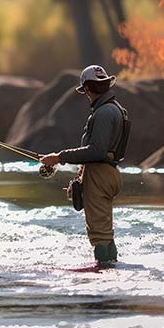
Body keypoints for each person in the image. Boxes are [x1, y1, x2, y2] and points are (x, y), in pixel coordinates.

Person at [40, 65, 129, 265]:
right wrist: (80, 175)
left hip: (99, 176)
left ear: (88, 89)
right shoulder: (116, 109)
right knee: (105, 231)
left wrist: (59, 157)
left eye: (86, 91)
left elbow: (96, 151)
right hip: (109, 174)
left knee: (99, 235)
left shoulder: (104, 113)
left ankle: (104, 277)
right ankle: (111, 269)